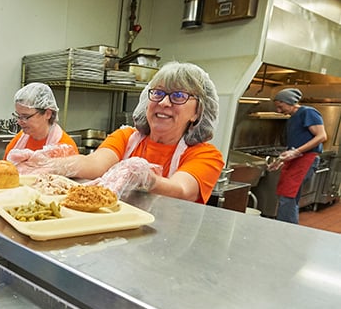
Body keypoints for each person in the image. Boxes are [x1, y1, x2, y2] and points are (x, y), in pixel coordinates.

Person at [16, 62, 224, 204]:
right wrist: (49, 164)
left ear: (197, 112)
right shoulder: (126, 138)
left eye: (179, 96)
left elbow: (182, 190)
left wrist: (146, 179)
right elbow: (94, 165)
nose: (164, 102)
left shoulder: (205, 155)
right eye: (158, 93)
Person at [270, 88, 327, 224]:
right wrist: (280, 159)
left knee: (287, 196)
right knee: (289, 195)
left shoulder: (307, 112)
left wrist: (296, 152)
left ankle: (286, 231)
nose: (279, 110)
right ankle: (288, 229)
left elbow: (322, 136)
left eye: (280, 106)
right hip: (297, 160)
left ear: (289, 102)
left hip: (306, 159)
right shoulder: (292, 118)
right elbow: (296, 144)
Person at [3, 82, 79, 160]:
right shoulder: (19, 141)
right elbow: (4, 169)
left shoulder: (65, 148)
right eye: (18, 116)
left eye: (25, 117)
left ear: (47, 114)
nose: (19, 121)